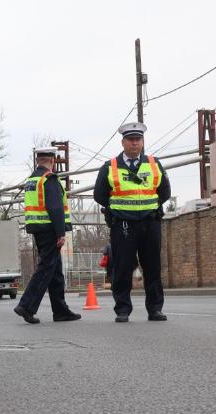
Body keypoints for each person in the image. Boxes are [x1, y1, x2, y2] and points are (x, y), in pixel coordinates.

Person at [94, 122, 171, 323]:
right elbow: (99, 195)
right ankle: (122, 309)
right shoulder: (110, 166)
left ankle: (155, 309)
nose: (135, 144)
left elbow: (165, 192)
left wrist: (147, 207)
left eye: (138, 140)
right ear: (123, 142)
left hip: (149, 223)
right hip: (123, 225)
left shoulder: (154, 164)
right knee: (122, 267)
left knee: (152, 266)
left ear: (142, 142)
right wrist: (120, 208)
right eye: (131, 140)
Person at [13, 147, 81, 324]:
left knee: (55, 271)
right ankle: (26, 306)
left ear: (38, 161)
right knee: (45, 268)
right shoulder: (49, 179)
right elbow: (55, 207)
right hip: (50, 230)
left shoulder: (32, 180)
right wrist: (60, 232)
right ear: (53, 161)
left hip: (38, 229)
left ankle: (60, 311)